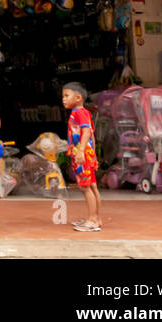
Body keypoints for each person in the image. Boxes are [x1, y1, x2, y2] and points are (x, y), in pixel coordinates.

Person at [63, 81, 101, 231]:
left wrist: (80, 151)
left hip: (82, 155)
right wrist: (95, 156)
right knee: (92, 186)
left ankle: (92, 221)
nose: (63, 99)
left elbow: (86, 133)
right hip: (87, 154)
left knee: (85, 188)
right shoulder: (84, 113)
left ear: (78, 97)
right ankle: (96, 218)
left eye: (66, 95)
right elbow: (92, 136)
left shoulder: (79, 113)